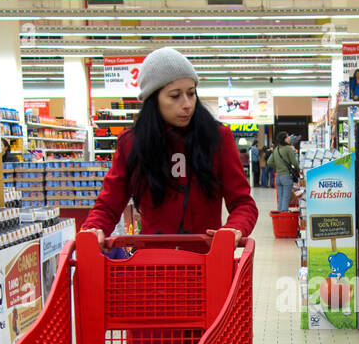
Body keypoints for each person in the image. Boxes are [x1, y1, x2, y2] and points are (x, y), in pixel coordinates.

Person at [83, 46, 257, 240]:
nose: (187, 104)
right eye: (175, 96)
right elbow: (108, 205)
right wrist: (93, 228)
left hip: (206, 262)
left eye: (191, 93)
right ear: (153, 99)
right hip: (153, 264)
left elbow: (243, 203)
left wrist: (233, 229)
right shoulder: (132, 144)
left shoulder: (217, 138)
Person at [267, 131, 301, 213]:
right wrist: (298, 169)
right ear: (284, 139)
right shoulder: (288, 149)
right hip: (286, 176)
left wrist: (278, 167)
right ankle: (284, 214)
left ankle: (279, 216)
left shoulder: (276, 149)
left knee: (280, 197)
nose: (289, 138)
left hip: (278, 177)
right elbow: (294, 162)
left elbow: (269, 162)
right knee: (286, 197)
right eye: (287, 137)